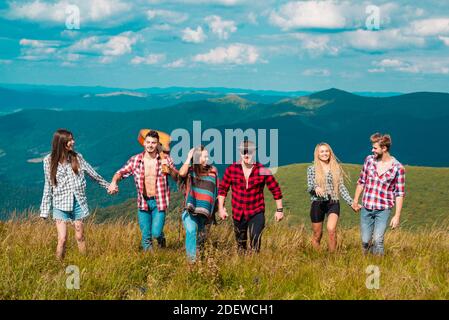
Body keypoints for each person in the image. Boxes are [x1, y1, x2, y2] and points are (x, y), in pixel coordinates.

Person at [40, 129, 113, 260]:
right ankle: (58, 264)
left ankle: (84, 262)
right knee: (62, 239)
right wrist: (44, 211)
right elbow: (48, 185)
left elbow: (93, 174)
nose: (73, 142)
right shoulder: (48, 161)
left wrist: (108, 186)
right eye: (69, 140)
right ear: (61, 142)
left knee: (79, 235)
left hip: (78, 202)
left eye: (72, 139)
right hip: (60, 204)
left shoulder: (77, 157)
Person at [108, 130, 178, 251]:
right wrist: (114, 182)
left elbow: (177, 178)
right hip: (143, 202)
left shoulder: (165, 159)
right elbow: (120, 172)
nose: (150, 145)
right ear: (143, 143)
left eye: (153, 143)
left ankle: (161, 240)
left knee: (156, 233)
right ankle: (150, 262)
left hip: (159, 202)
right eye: (148, 142)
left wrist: (170, 168)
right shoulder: (135, 160)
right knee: (146, 236)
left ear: (158, 144)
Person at [217, 140, 284, 253]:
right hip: (238, 212)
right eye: (244, 152)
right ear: (240, 153)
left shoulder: (262, 170)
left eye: (249, 152)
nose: (246, 155)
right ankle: (243, 266)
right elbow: (223, 190)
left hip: (256, 211)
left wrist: (279, 210)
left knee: (255, 239)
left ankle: (254, 264)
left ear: (254, 152)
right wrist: (221, 208)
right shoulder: (231, 169)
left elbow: (275, 189)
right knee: (241, 245)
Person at [352, 133, 405, 255]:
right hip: (367, 207)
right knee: (365, 241)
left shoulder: (398, 168)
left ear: (384, 148)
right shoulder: (369, 160)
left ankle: (379, 268)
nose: (372, 150)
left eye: (375, 148)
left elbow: (400, 193)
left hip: (383, 209)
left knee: (378, 240)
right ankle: (366, 264)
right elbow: (361, 181)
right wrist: (355, 200)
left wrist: (397, 216)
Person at [307, 143, 356, 252]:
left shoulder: (336, 168)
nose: (325, 153)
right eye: (322, 151)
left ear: (330, 153)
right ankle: (318, 257)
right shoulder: (312, 169)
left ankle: (332, 258)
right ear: (317, 154)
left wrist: (351, 202)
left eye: (326, 151)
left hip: (333, 202)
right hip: (317, 203)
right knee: (317, 235)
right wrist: (316, 188)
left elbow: (341, 187)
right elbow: (309, 187)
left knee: (331, 229)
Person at [178, 146, 219, 262]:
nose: (207, 159)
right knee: (191, 231)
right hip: (190, 209)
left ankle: (200, 259)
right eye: (204, 157)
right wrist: (188, 157)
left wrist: (219, 208)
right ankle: (192, 262)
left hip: (205, 212)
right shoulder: (190, 171)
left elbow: (216, 190)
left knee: (201, 238)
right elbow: (181, 173)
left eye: (207, 156)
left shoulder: (213, 171)